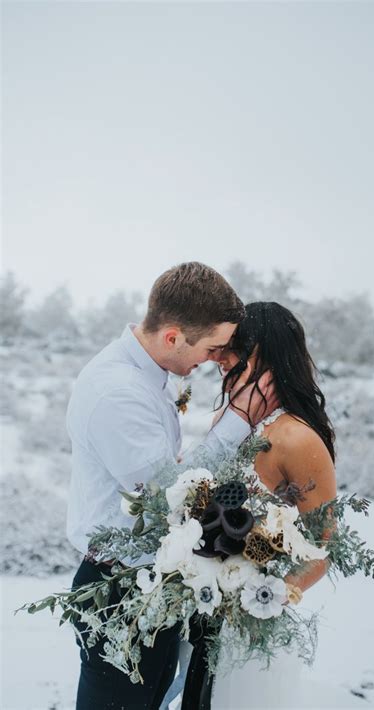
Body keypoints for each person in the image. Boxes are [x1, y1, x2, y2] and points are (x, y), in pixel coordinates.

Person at [65, 263, 279, 710]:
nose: (217, 358)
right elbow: (171, 497)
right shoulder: (118, 393)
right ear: (173, 337)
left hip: (146, 578)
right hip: (118, 587)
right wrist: (239, 419)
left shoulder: (144, 376)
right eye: (214, 346)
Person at [208, 301, 338, 709]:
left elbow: (323, 549)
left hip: (251, 630)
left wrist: (266, 598)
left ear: (268, 355)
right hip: (203, 615)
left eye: (235, 348)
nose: (220, 358)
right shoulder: (228, 423)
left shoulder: (297, 440)